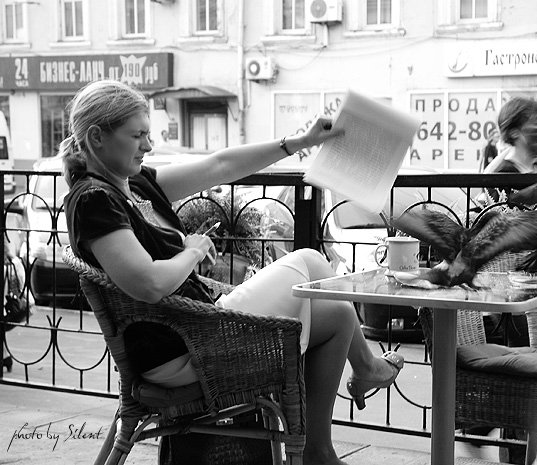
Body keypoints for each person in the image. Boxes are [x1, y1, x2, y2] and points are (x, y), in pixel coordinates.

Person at [61, 80, 403, 465]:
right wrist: (191, 252)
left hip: (198, 328)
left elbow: (219, 165)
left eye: (148, 134)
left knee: (337, 314)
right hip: (184, 350)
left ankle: (318, 450)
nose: (148, 145)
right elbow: (149, 284)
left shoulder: (132, 184)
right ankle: (365, 369)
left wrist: (300, 142)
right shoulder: (94, 200)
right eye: (137, 135)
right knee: (309, 260)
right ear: (97, 137)